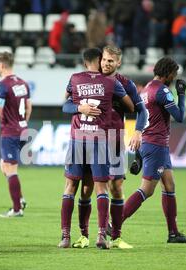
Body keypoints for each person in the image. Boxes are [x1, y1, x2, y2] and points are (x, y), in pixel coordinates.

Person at [62, 45, 148, 249]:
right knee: (86, 188)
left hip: (115, 138)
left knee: (116, 188)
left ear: (118, 63)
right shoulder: (88, 80)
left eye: (111, 61)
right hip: (91, 137)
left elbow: (141, 111)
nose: (106, 64)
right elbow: (67, 104)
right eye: (104, 60)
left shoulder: (125, 83)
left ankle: (116, 237)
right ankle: (84, 235)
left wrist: (138, 131)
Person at [122, 57, 186, 243]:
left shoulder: (147, 88)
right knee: (146, 190)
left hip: (150, 143)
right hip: (157, 145)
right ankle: (113, 223)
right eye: (174, 74)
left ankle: (173, 233)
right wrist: (182, 95)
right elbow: (179, 117)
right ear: (169, 73)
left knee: (169, 186)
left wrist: (139, 154)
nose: (175, 77)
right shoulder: (162, 91)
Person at [0, 52, 32, 218]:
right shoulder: (23, 83)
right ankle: (21, 198)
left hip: (10, 132)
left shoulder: (2, 85)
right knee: (4, 165)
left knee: (10, 169)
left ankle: (17, 209)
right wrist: (23, 123)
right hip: (23, 130)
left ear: (1, 65)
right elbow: (29, 106)